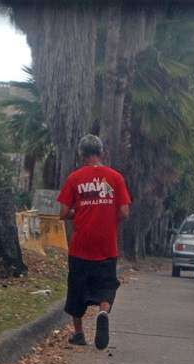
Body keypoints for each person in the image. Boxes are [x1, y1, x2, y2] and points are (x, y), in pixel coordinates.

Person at [57, 134, 131, 350]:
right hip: (106, 244)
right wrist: (108, 214)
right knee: (106, 284)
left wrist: (78, 212)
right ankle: (102, 311)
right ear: (101, 153)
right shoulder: (115, 178)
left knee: (77, 288)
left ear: (82, 154)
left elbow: (62, 212)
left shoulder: (75, 178)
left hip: (80, 245)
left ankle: (79, 333)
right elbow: (125, 212)